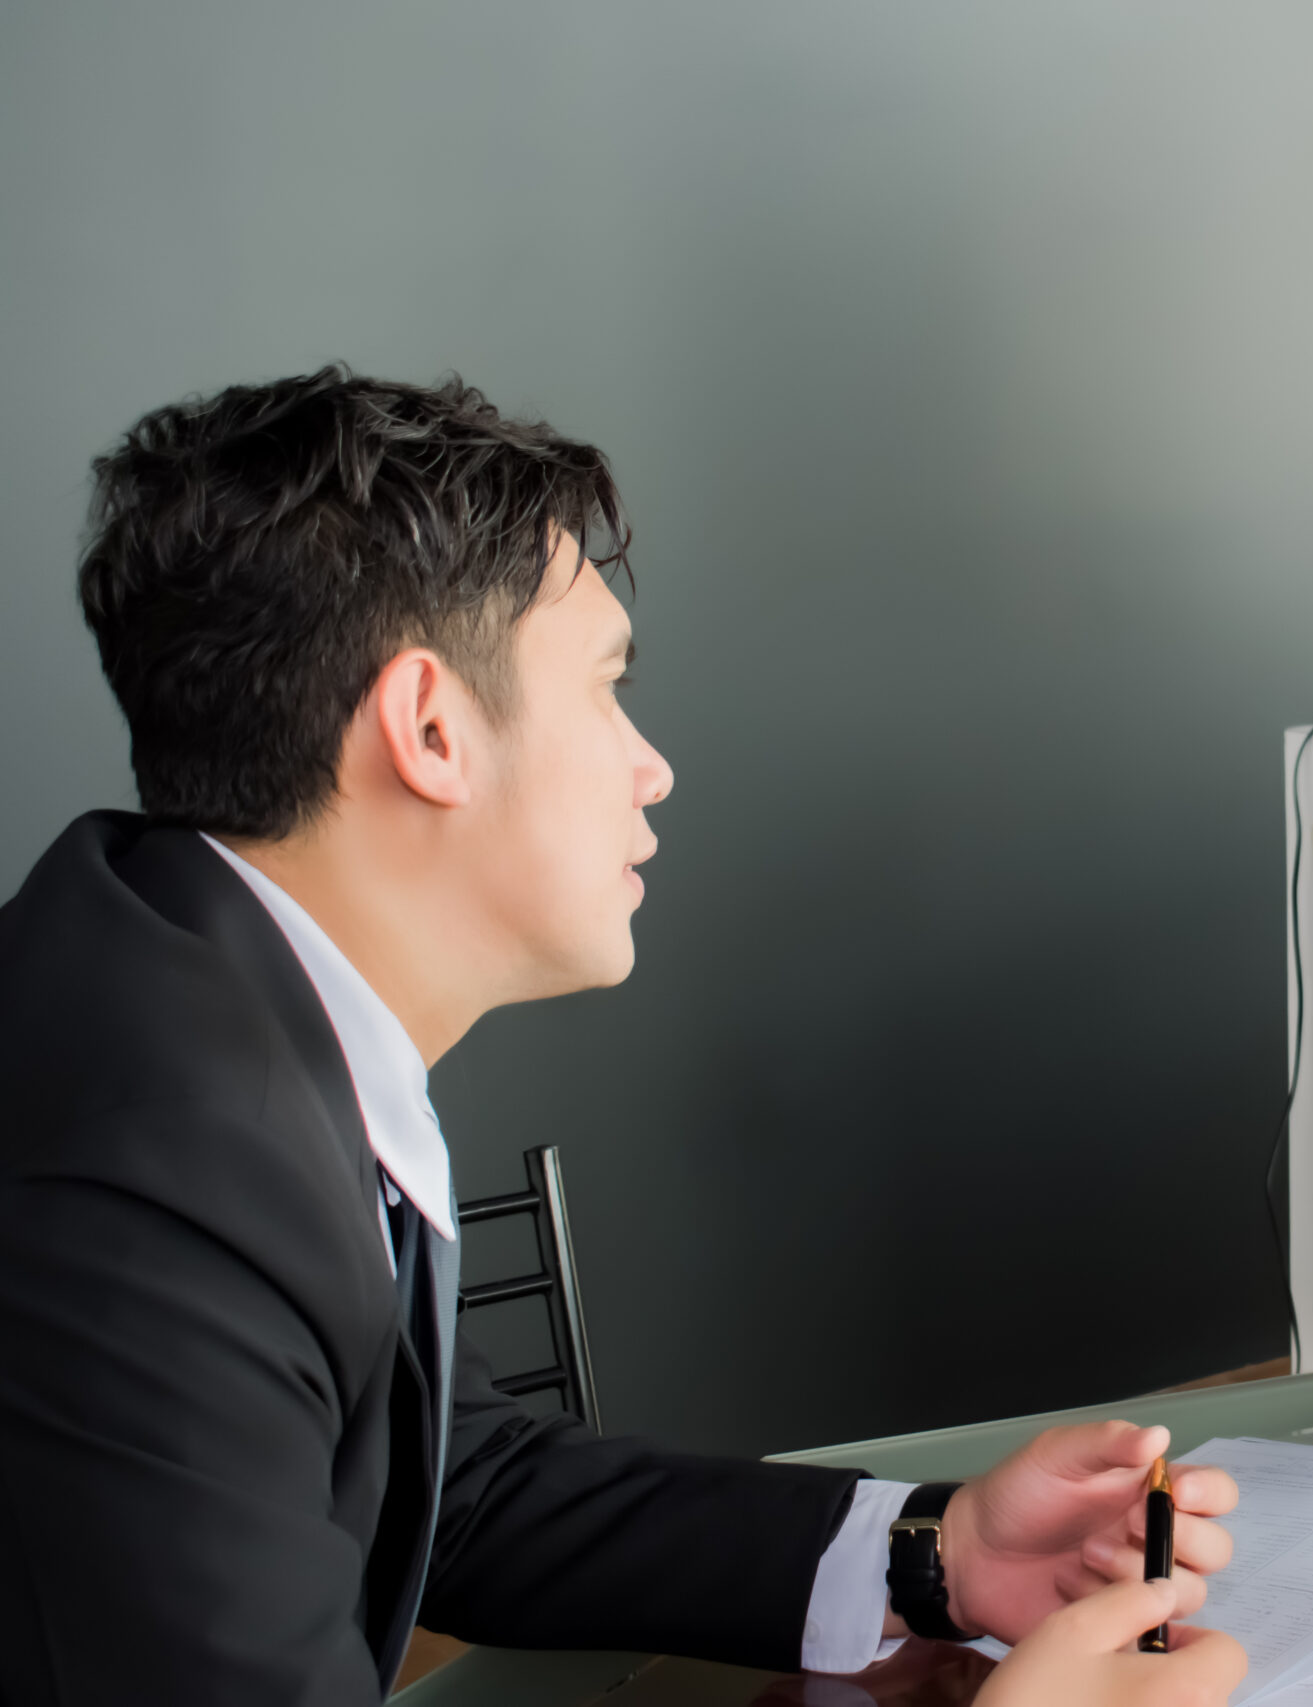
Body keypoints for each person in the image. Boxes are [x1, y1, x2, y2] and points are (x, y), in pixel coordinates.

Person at [0, 369, 1247, 1706]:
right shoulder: (141, 1188)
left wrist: (934, 1552)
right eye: (605, 687)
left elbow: (457, 1485)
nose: (651, 764)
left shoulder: (194, 992)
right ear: (431, 727)